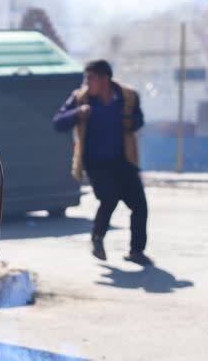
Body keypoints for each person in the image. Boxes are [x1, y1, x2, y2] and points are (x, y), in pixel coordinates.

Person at [53, 59, 151, 265]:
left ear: (105, 79)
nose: (87, 83)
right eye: (86, 78)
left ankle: (136, 251)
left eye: (91, 78)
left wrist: (132, 122)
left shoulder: (127, 97)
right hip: (94, 161)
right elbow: (58, 122)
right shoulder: (80, 99)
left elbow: (139, 119)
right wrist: (77, 113)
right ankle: (97, 239)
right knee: (110, 197)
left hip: (123, 159)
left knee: (139, 205)